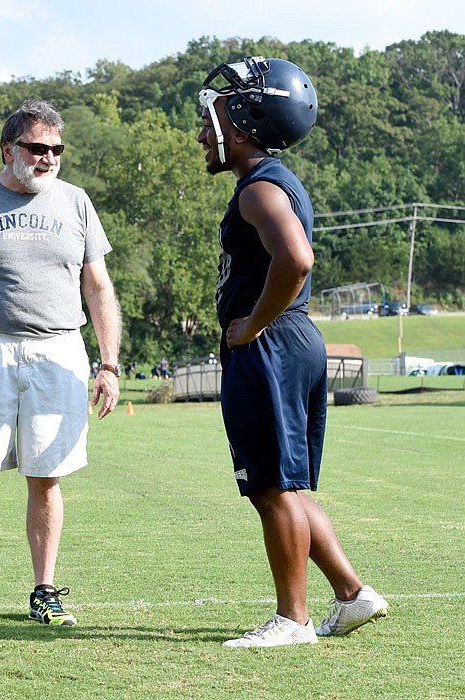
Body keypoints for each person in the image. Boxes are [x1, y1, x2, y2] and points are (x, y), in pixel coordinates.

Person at [197, 57, 388, 647]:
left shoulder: (258, 190)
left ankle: (293, 620)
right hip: (292, 339)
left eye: (212, 122)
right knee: (287, 485)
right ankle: (353, 595)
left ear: (245, 125)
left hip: (273, 342)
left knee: (269, 487)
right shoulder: (270, 181)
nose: (203, 134)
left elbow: (297, 260)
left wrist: (253, 323)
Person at [0, 99, 122, 634]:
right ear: (8, 149)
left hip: (59, 349)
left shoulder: (76, 203)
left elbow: (98, 286)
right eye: (37, 148)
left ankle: (45, 591)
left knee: (46, 478)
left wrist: (109, 364)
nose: (48, 158)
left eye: (56, 150)